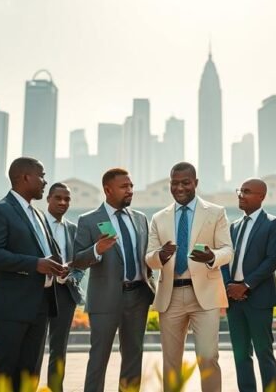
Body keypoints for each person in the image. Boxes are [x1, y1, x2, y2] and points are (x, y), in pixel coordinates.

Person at [0, 157, 69, 392]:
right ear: (25, 177)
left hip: (40, 303)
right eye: (42, 175)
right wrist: (35, 263)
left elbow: (47, 252)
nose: (45, 181)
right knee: (4, 369)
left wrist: (58, 265)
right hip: (11, 304)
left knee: (30, 372)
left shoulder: (38, 214)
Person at [146, 162, 233, 392]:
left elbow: (227, 250)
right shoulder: (158, 217)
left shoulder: (216, 212)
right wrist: (160, 256)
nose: (179, 187)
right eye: (174, 183)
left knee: (207, 357)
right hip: (170, 295)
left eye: (185, 182)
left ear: (196, 183)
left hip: (204, 295)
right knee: (171, 362)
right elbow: (149, 257)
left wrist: (211, 256)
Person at [73, 168, 156, 392]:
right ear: (108, 190)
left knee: (133, 356)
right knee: (99, 358)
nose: (130, 190)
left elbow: (146, 254)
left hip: (138, 296)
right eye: (124, 187)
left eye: (131, 186)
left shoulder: (140, 219)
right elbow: (77, 260)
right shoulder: (89, 220)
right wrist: (96, 249)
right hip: (105, 298)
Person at [221, 178, 276, 392]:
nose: (241, 195)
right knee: (240, 354)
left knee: (264, 352)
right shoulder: (234, 226)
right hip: (233, 299)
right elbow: (226, 259)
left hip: (258, 298)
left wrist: (245, 285)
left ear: (261, 196)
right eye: (240, 190)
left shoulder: (273, 223)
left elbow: (272, 260)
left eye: (247, 191)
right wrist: (230, 285)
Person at [43, 182, 85, 392]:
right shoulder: (36, 223)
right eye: (58, 198)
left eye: (67, 199)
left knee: (59, 349)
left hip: (64, 293)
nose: (62, 202)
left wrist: (71, 274)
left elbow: (80, 264)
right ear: (48, 199)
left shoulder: (73, 229)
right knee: (31, 346)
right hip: (37, 291)